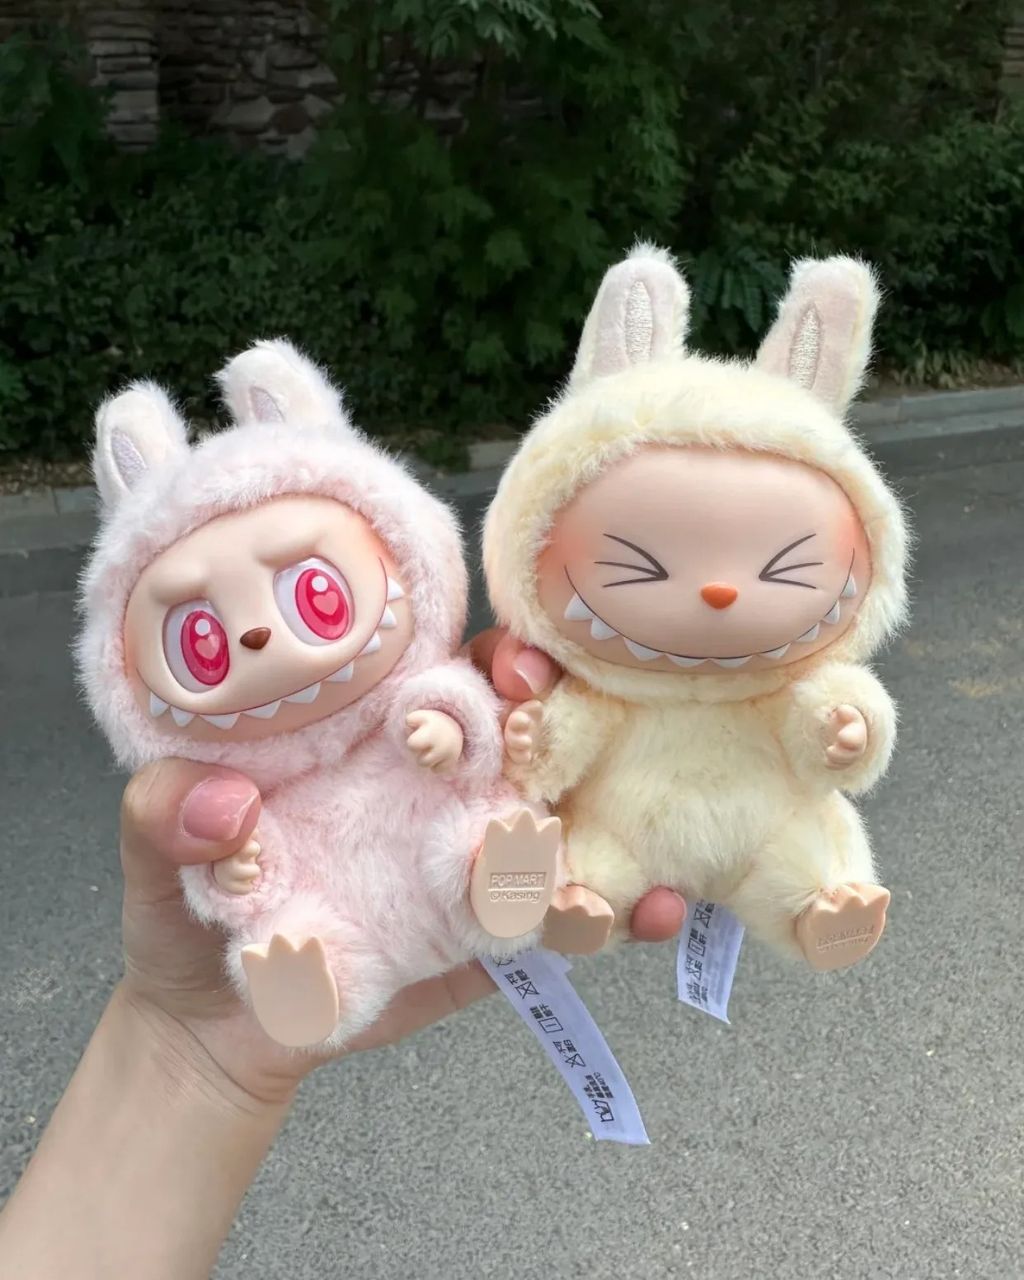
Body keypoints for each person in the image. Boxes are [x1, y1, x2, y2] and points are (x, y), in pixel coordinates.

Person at [0, 637, 685, 1279]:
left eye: (317, 597)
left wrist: (447, 725)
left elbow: (462, 705)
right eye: (201, 639)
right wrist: (232, 873)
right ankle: (315, 985)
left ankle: (511, 890)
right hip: (339, 908)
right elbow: (246, 879)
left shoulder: (409, 696)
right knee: (291, 932)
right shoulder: (251, 791)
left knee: (480, 833)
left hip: (439, 856)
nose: (258, 635)